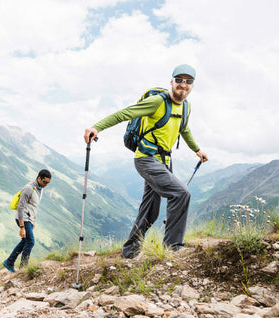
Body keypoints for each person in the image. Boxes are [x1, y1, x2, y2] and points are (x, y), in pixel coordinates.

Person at [84, 64, 208, 258]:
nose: (183, 85)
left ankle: (130, 251)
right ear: (172, 82)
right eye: (179, 80)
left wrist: (197, 150)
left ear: (192, 85)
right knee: (181, 193)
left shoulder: (186, 106)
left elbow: (184, 129)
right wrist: (96, 127)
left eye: (188, 81)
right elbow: (125, 113)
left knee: (150, 210)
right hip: (146, 159)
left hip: (164, 161)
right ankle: (173, 247)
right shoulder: (158, 102)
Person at [3, 169, 52, 272]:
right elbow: (20, 207)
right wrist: (22, 227)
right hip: (23, 219)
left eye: (48, 182)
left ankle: (9, 262)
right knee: (30, 241)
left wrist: (33, 221)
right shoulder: (28, 188)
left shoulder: (40, 189)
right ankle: (23, 268)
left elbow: (34, 207)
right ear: (39, 178)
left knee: (25, 241)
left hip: (29, 219)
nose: (46, 184)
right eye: (45, 182)